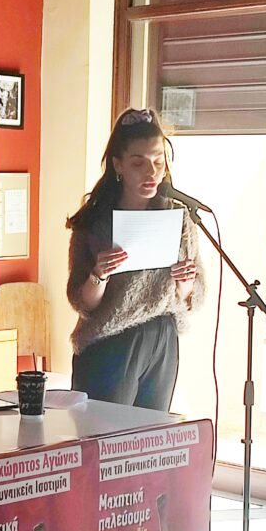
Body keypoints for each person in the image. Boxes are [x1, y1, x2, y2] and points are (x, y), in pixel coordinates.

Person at [66, 108, 205, 411]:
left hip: (163, 337)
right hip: (111, 341)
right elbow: (82, 303)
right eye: (138, 163)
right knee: (106, 434)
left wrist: (184, 283)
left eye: (158, 162)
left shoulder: (179, 216)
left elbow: (190, 297)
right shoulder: (95, 223)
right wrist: (99, 274)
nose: (151, 172)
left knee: (150, 435)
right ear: (119, 165)